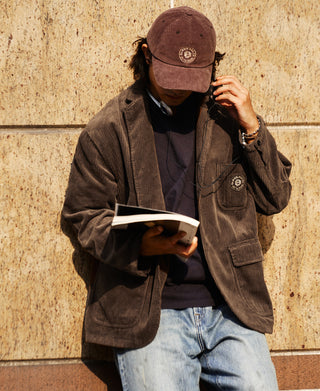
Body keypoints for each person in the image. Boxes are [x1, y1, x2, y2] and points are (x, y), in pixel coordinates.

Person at [62, 6, 292, 391]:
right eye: (170, 74)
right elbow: (83, 215)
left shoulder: (227, 118)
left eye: (191, 77)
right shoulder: (109, 128)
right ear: (147, 54)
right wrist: (138, 245)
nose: (178, 87)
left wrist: (252, 128)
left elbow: (276, 196)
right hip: (151, 312)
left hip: (229, 306)